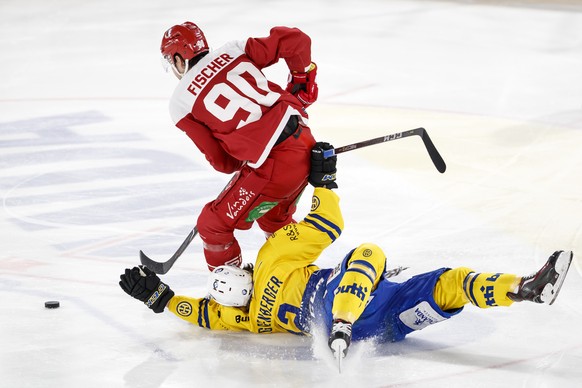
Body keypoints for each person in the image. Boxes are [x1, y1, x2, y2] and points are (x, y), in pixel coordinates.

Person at [119, 143, 574, 362]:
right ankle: (339, 324)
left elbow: (197, 312)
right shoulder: (275, 257)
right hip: (334, 300)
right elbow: (326, 223)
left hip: (384, 326)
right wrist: (324, 181)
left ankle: (527, 288)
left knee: (447, 285)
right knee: (370, 254)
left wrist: (157, 297)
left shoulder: (233, 314)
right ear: (246, 268)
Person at [159, 22, 319, 270]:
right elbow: (296, 40)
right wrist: (302, 81)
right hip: (306, 145)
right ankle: (297, 278)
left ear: (180, 58)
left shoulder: (180, 103)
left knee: (212, 225)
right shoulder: (234, 50)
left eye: (172, 60)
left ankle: (232, 297)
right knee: (274, 218)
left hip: (274, 168)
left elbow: (223, 163)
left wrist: (242, 151)